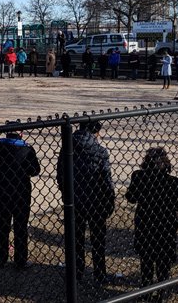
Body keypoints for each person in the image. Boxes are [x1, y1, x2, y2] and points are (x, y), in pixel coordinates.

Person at [57, 121, 114, 283]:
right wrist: (109, 200)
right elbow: (106, 180)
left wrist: (66, 193)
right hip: (96, 201)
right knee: (98, 240)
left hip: (74, 201)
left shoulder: (67, 148)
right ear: (95, 132)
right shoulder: (100, 151)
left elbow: (60, 174)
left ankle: (77, 271)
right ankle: (99, 273)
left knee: (76, 239)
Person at [125, 148, 178, 293]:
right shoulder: (173, 182)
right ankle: (161, 291)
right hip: (166, 226)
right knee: (163, 262)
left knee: (146, 261)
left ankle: (146, 290)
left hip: (145, 224)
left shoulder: (139, 177)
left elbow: (131, 197)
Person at [0, 127, 40, 268]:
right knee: (21, 227)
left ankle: (1, 257)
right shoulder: (27, 149)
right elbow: (35, 170)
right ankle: (20, 259)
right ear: (21, 134)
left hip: (2, 189)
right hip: (21, 192)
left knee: (2, 225)